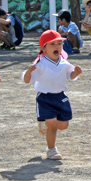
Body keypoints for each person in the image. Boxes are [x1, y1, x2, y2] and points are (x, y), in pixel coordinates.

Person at [22, 30, 82, 160]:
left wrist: (75, 73)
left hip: (61, 97)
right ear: (44, 48)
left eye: (59, 43)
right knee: (53, 125)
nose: (57, 47)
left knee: (63, 125)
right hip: (45, 98)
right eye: (52, 44)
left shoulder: (64, 62)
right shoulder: (40, 64)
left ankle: (44, 123)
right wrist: (29, 71)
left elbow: (69, 76)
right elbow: (27, 80)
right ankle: (51, 150)